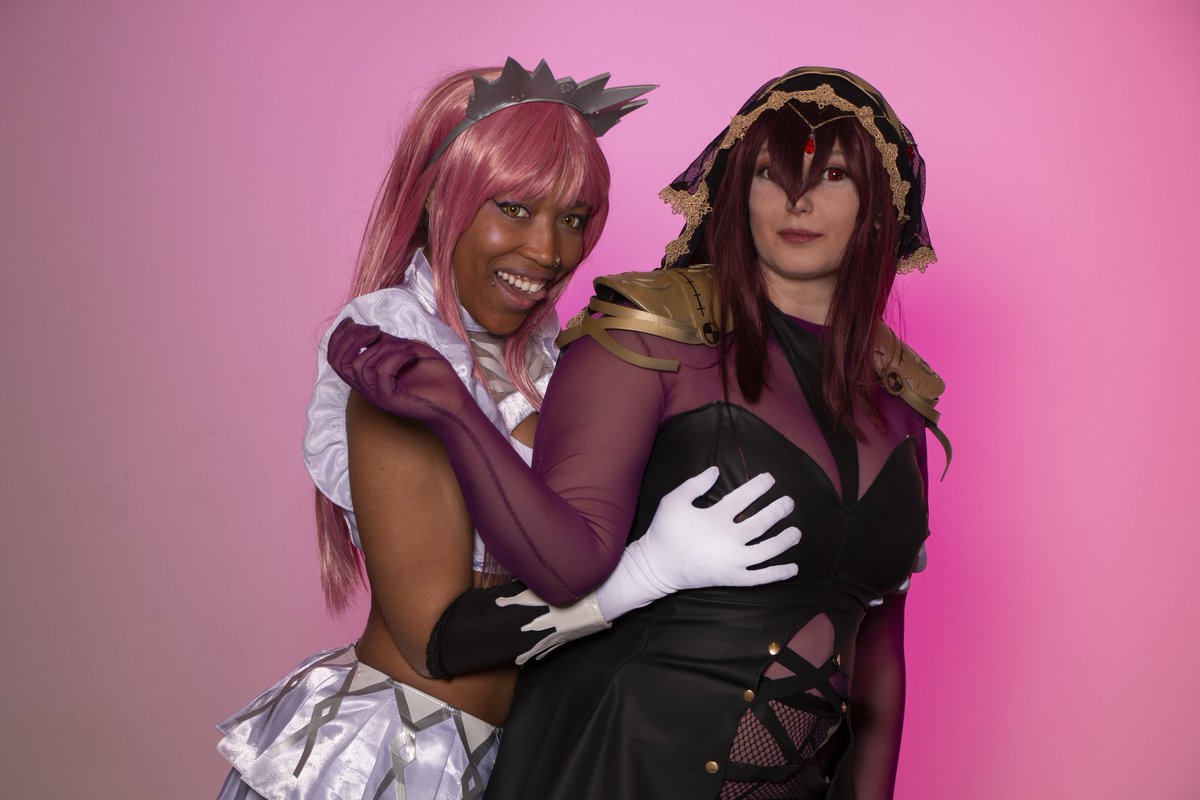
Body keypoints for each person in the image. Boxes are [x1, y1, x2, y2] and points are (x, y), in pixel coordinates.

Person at [330, 66, 949, 799]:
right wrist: (645, 569)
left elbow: (877, 671)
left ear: (881, 207)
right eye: (769, 173)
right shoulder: (643, 337)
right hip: (467, 754)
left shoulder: (902, 399)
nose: (799, 198)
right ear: (734, 192)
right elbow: (443, 640)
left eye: (835, 174)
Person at [216, 59, 799, 800]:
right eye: (515, 208)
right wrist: (646, 573)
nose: (550, 252)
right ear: (439, 199)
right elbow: (436, 639)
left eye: (573, 219)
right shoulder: (398, 361)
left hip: (514, 763)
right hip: (389, 759)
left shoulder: (559, 368)